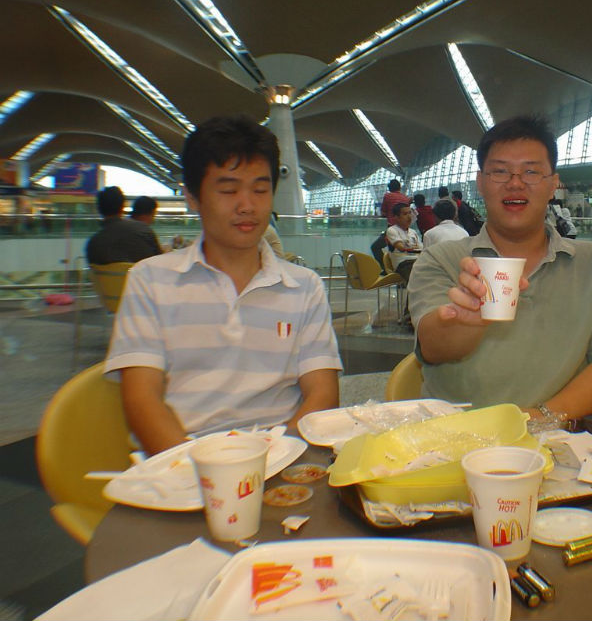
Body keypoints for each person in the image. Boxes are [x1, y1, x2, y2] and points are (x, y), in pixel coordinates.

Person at [104, 116, 341, 455]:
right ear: (192, 197)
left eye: (260, 190)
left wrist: (278, 461)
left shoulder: (303, 287)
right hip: (181, 464)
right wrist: (205, 471)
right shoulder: (150, 280)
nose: (247, 206)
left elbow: (322, 394)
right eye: (229, 190)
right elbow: (142, 400)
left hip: (280, 460)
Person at [409, 115, 592, 418]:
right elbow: (432, 347)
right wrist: (466, 322)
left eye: (531, 171)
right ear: (480, 183)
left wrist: (539, 419)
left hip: (561, 436)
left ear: (553, 184)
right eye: (500, 171)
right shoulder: (442, 259)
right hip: (458, 434)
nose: (515, 183)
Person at [86, 186, 162, 265]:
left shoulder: (93, 244)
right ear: (123, 206)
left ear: (99, 209)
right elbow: (159, 260)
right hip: (141, 273)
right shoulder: (143, 230)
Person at [371, 179, 411, 268]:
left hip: (392, 228)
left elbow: (383, 213)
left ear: (389, 188)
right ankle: (395, 267)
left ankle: (386, 268)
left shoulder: (388, 196)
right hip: (405, 230)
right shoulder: (405, 198)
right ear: (399, 188)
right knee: (395, 249)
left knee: (375, 247)